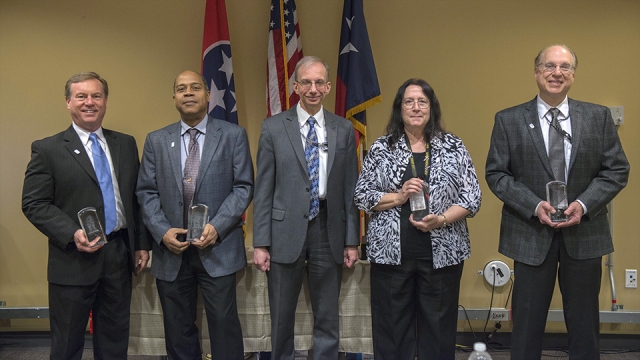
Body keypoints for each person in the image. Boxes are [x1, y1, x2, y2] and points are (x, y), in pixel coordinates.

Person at [485, 45, 630, 359]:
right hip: (530, 234)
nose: (557, 73)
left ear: (574, 75)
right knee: (525, 326)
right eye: (549, 66)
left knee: (584, 325)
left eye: (565, 67)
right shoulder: (508, 120)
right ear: (536, 72)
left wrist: (585, 203)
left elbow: (617, 169)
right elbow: (497, 174)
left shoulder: (598, 117)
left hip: (585, 233)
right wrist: (535, 206)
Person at [22, 72, 150, 359]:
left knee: (115, 342)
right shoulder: (48, 149)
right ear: (68, 102)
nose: (89, 102)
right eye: (81, 96)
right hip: (72, 260)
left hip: (118, 255)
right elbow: (34, 203)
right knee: (67, 344)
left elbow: (136, 199)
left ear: (105, 102)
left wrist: (141, 243)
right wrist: (72, 233)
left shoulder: (125, 144)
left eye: (96, 96)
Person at [354, 78, 481, 360]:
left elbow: (472, 197)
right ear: (399, 108)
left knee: (438, 332)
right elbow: (362, 196)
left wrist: (443, 219)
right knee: (391, 330)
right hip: (391, 257)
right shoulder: (381, 147)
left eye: (422, 101)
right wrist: (398, 197)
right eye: (408, 101)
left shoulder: (453, 146)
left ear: (431, 107)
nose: (415, 107)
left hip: (443, 254)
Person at [136, 70, 253, 360]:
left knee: (224, 329)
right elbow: (146, 192)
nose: (188, 93)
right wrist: (162, 231)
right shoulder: (156, 140)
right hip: (171, 252)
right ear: (174, 97)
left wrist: (217, 226)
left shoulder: (233, 135)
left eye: (195, 87)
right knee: (178, 331)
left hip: (218, 248)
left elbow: (243, 187)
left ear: (208, 95)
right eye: (181, 88)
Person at [252, 56, 360, 360]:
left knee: (327, 313)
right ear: (295, 86)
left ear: (327, 87)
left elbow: (351, 189)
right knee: (282, 313)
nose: (313, 89)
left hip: (329, 227)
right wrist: (261, 242)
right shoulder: (273, 127)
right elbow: (263, 190)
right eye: (306, 82)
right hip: (284, 230)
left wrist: (352, 239)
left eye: (319, 82)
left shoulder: (343, 128)